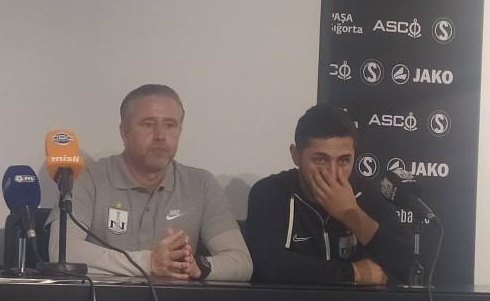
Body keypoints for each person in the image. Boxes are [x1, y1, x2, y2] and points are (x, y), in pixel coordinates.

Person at [47, 84, 252, 281]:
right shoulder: (88, 177)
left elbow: (241, 262)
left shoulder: (201, 185)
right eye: (148, 124)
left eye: (170, 125)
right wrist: (149, 263)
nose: (161, 136)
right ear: (124, 132)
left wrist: (199, 266)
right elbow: (62, 252)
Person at [246, 104, 411, 285]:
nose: (333, 173)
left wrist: (351, 214)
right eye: (320, 160)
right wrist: (353, 273)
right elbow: (268, 265)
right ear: (296, 155)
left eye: (344, 160)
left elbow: (410, 266)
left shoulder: (365, 192)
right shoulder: (271, 192)